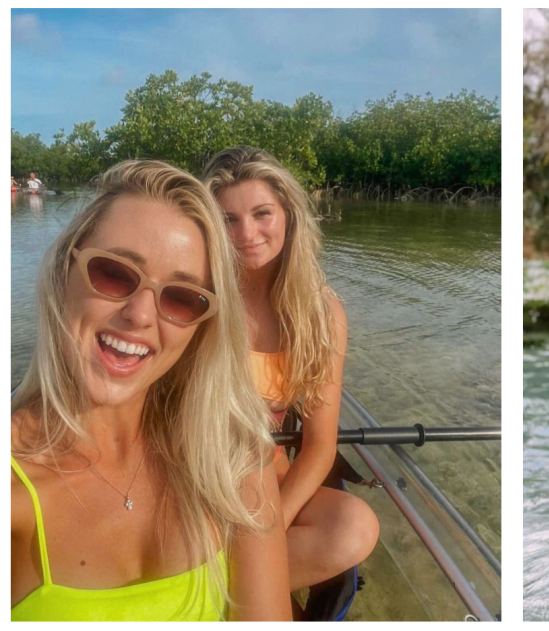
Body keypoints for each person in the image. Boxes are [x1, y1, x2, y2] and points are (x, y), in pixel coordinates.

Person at [11, 160, 292, 621]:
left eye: (182, 297)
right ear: (65, 271)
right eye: (115, 274)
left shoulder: (233, 459)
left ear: (202, 328)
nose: (141, 315)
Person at [202, 147, 378, 598]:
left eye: (262, 213)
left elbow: (319, 446)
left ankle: (221, 592)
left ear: (289, 215)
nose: (246, 234)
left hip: (267, 476)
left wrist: (269, 529)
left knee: (355, 526)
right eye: (227, 219)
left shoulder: (320, 313)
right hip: (195, 469)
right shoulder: (196, 294)